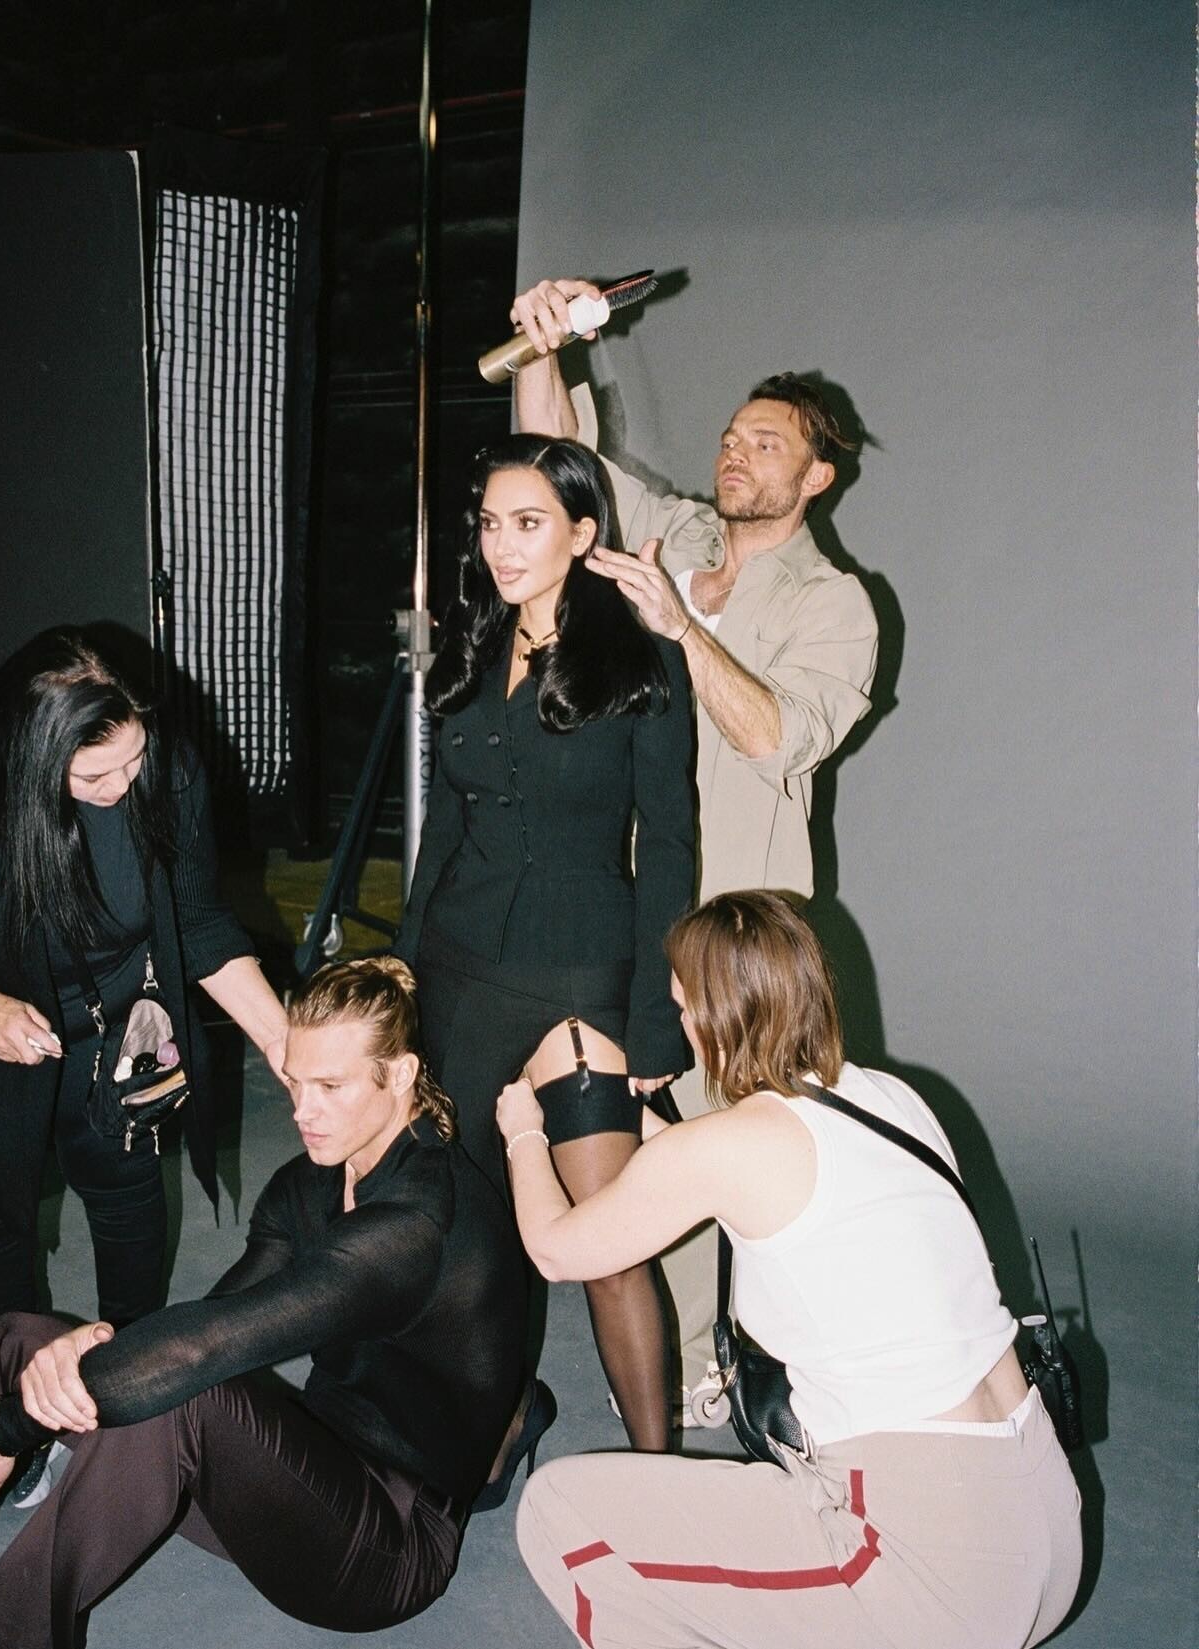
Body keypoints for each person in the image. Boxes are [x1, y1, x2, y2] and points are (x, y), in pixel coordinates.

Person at [0, 957, 526, 1649]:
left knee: (182, 1396)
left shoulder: (415, 1226)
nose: (302, 1111)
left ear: (398, 1075)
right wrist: (84, 1357)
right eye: (294, 1080)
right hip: (301, 1466)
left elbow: (200, 1355)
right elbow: (219, 1321)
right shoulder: (312, 1180)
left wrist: (5, 1429)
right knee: (21, 1339)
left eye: (331, 1086)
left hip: (386, 1546)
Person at [499, 890, 1082, 1649]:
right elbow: (742, 1177)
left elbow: (554, 1247)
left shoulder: (731, 1149)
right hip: (1048, 1528)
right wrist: (625, 1113)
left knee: (557, 1509)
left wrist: (523, 1132)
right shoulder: (894, 1099)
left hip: (937, 1574)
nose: (681, 1027)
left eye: (684, 1009)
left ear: (717, 1018)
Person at [511, 276, 881, 1401]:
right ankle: (681, 1353)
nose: (736, 452)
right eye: (731, 435)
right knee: (638, 1125)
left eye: (767, 444)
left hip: (735, 916)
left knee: (747, 1134)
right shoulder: (673, 528)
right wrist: (545, 344)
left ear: (815, 477)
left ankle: (783, 1347)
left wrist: (682, 628)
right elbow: (556, 461)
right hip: (621, 885)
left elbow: (778, 737)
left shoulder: (837, 603)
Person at [395, 434, 696, 1452]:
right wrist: (404, 970)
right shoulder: (470, 651)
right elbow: (443, 831)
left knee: (608, 1245)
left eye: (529, 523)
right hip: (462, 973)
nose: (503, 545)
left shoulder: (642, 659)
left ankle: (657, 1469)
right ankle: (503, 1419)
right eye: (490, 523)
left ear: (582, 531)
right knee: (477, 1236)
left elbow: (670, 846)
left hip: (582, 981)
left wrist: (655, 1018)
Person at [0, 627, 289, 1337]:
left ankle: (128, 1360)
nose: (122, 787)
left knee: (128, 1188)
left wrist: (283, 1041)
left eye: (133, 759)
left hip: (114, 1020)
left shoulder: (165, 768)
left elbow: (200, 923)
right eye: (94, 777)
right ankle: (14, 1370)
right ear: (33, 760)